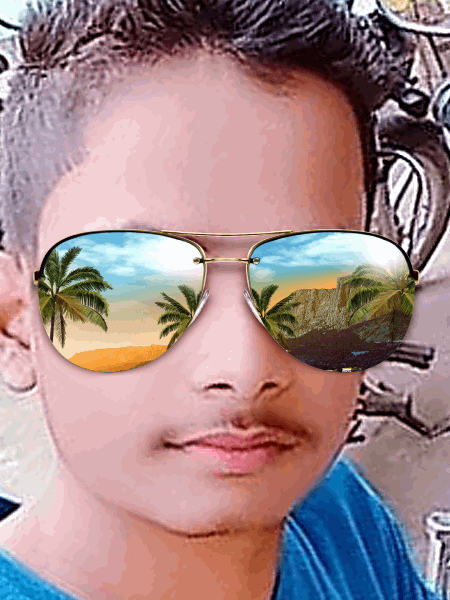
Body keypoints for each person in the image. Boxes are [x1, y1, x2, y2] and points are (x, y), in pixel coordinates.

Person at [0, 0, 440, 598]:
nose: (245, 368)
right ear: (15, 321)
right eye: (136, 284)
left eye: (319, 279)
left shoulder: (337, 516)